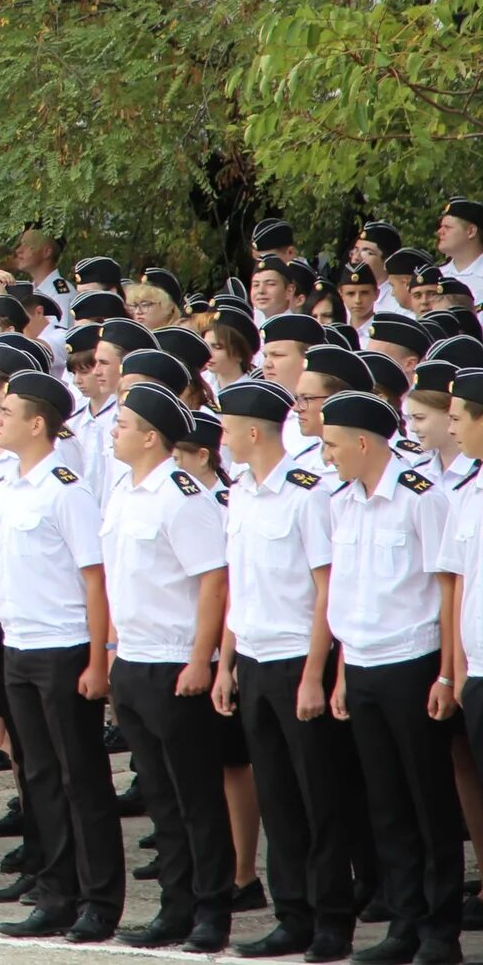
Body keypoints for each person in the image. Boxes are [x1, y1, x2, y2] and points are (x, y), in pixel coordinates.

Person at [0, 370, 123, 944]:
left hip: (64, 649)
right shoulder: (8, 485)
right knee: (39, 777)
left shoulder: (66, 489)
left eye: (8, 411)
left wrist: (97, 657)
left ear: (38, 424)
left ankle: (99, 900)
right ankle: (56, 893)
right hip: (19, 645)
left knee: (81, 776)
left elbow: (94, 580)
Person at [215, 378, 354, 961]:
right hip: (253, 657)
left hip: (300, 658)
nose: (219, 437)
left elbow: (328, 590)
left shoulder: (307, 494)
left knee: (317, 795)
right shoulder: (241, 492)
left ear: (252, 431)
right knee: (276, 796)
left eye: (225, 426)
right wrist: (226, 665)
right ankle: (291, 913)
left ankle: (331, 920)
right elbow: (236, 586)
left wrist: (314, 674)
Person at [323, 391, 460, 965]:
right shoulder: (340, 502)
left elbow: (447, 589)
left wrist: (447, 675)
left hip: (412, 661)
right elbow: (345, 595)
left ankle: (439, 931)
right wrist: (340, 675)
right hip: (361, 664)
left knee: (428, 802)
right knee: (386, 805)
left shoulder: (418, 499)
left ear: (362, 442)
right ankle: (403, 924)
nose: (325, 456)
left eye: (332, 445)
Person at [100, 384, 234, 952]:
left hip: (177, 663)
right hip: (134, 660)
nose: (114, 430)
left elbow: (214, 579)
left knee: (196, 797)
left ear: (151, 437)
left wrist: (201, 660)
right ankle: (174, 908)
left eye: (124, 424)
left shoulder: (181, 495)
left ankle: (211, 911)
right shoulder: (123, 493)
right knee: (160, 798)